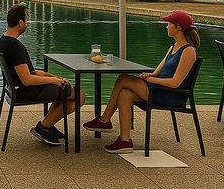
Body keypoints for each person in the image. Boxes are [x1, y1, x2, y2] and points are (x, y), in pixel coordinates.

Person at [83, 10, 200, 154]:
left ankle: (104, 119)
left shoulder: (188, 51)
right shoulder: (172, 48)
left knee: (123, 78)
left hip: (170, 95)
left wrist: (152, 79)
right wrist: (148, 76)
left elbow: (175, 82)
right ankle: (124, 141)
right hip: (159, 88)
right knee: (125, 94)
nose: (166, 27)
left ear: (178, 27)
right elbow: (157, 72)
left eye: (169, 24)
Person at [0, 3, 85, 146]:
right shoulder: (15, 46)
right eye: (26, 19)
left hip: (14, 90)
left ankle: (48, 125)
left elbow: (33, 72)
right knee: (79, 95)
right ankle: (43, 127)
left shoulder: (3, 41)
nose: (27, 23)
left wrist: (55, 78)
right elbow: (27, 79)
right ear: (20, 22)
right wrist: (54, 82)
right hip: (23, 91)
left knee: (66, 88)